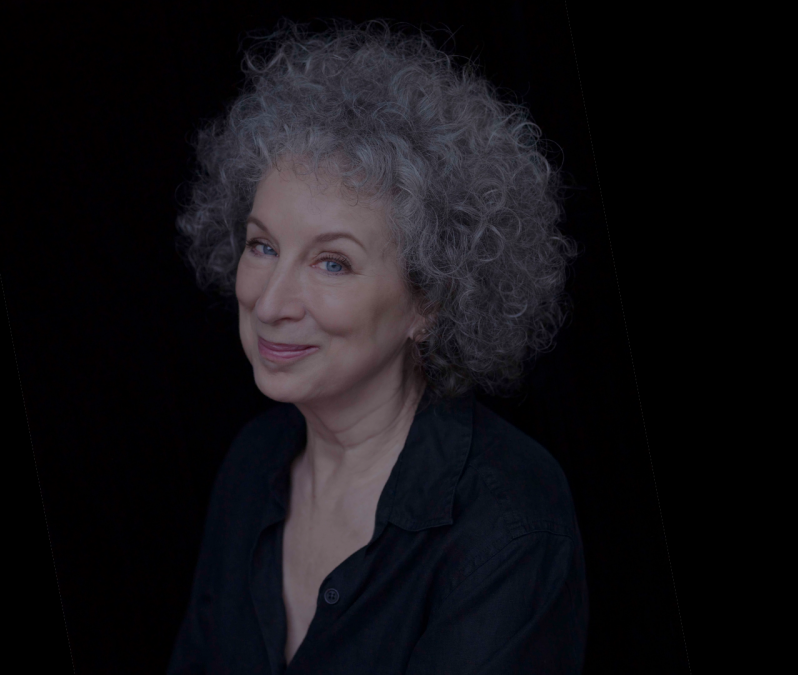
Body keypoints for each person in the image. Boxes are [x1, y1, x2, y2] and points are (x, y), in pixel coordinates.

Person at [168, 19, 585, 674]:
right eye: (263, 245)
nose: (271, 303)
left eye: (332, 262)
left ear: (429, 301)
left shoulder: (508, 521)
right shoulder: (254, 462)